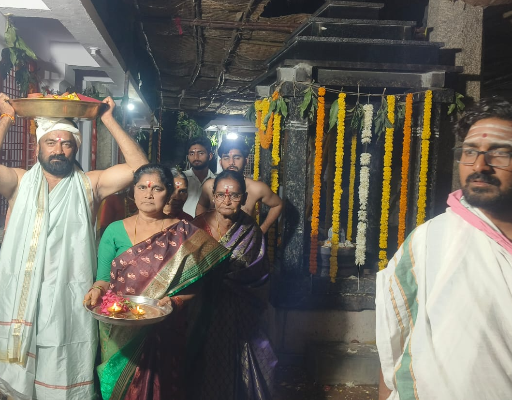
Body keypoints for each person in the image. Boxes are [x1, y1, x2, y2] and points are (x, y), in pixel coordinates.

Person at [0, 93, 148, 399]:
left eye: (66, 144)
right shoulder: (19, 182)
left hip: (68, 296)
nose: (58, 150)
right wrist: (6, 119)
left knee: (62, 365)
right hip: (21, 295)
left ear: (75, 148)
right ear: (38, 147)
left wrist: (107, 119)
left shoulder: (90, 184)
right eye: (50, 142)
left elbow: (141, 169)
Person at [376, 97, 512, 400]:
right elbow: (395, 336)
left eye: (500, 153)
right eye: (469, 152)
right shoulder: (429, 239)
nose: (480, 166)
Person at [84, 164, 230, 400]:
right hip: (119, 327)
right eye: (142, 187)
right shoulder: (114, 230)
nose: (148, 194)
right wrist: (95, 290)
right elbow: (103, 280)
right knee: (118, 388)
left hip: (164, 326)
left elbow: (197, 283)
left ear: (169, 192)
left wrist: (175, 302)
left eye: (157, 188)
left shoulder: (184, 233)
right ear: (132, 191)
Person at [192, 170, 277, 400]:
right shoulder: (197, 226)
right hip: (200, 308)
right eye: (221, 195)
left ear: (245, 198)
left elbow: (258, 274)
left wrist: (222, 275)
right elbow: (185, 268)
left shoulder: (251, 230)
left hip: (238, 309)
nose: (227, 200)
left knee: (236, 361)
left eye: (234, 195)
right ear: (213, 196)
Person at [196, 138, 283, 234]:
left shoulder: (256, 188)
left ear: (246, 161)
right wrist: (201, 232)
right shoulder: (209, 185)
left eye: (237, 158)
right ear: (220, 162)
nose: (231, 162)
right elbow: (201, 206)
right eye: (226, 158)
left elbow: (278, 205)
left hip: (244, 241)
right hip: (212, 240)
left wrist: (260, 232)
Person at [182, 137, 216, 217]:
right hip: (182, 223)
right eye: (192, 154)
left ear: (210, 156)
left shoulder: (216, 182)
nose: (196, 157)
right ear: (188, 156)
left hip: (206, 223)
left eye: (200, 153)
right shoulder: (182, 179)